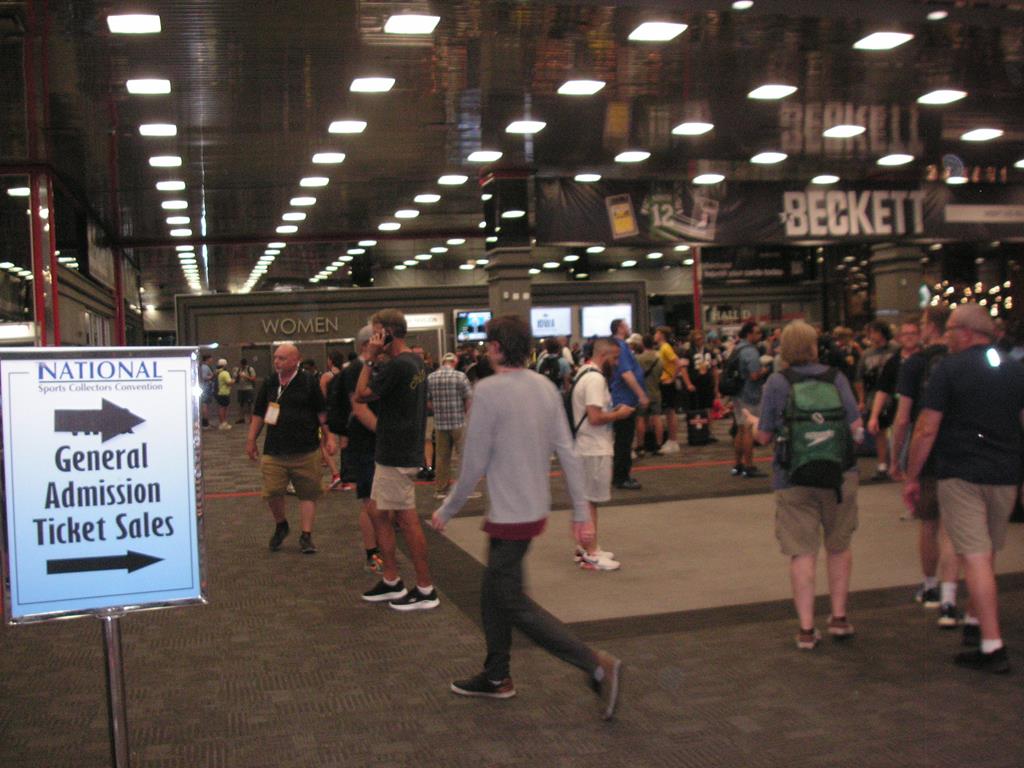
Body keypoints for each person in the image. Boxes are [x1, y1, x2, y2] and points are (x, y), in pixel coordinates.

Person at [430, 315, 622, 719]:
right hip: (530, 510)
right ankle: (497, 676)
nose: (485, 350)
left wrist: (447, 509)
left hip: (510, 514)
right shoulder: (545, 387)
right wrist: (580, 512)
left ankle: (595, 665)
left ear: (496, 348)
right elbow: (566, 451)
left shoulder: (488, 391)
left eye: (488, 344)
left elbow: (472, 463)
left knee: (512, 602)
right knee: (492, 594)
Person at [903, 303, 1024, 674]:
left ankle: (992, 645)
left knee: (973, 555)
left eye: (951, 330)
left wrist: (912, 475)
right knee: (987, 553)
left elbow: (927, 428)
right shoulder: (1013, 368)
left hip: (961, 474)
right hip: (1005, 474)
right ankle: (974, 621)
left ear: (967, 333)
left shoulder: (948, 369)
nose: (947, 336)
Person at [751, 320, 863, 650]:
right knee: (839, 546)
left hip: (792, 477)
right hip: (839, 475)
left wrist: (754, 423)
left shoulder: (777, 382)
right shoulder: (836, 377)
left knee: (802, 552)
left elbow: (764, 436)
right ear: (815, 346)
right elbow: (856, 427)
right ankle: (839, 617)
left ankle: (806, 628)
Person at [355, 308, 438, 611]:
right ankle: (391, 579)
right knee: (378, 512)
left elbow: (361, 394)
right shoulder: (415, 361)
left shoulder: (398, 365)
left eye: (376, 332)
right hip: (399, 449)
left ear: (388, 332)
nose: (373, 338)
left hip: (397, 453)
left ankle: (426, 588)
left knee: (406, 518)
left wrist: (369, 359)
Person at [890, 307, 959, 625]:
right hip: (960, 451)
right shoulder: (961, 362)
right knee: (951, 528)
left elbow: (903, 418)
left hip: (927, 452)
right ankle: (949, 599)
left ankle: (930, 587)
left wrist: (897, 458)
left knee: (929, 523)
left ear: (931, 327)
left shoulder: (915, 364)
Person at [246, 343, 337, 554]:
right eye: (275, 358)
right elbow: (259, 413)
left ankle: (306, 535)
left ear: (296, 360)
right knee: (272, 491)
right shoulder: (270, 382)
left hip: (306, 450)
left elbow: (321, 412)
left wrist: (330, 437)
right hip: (274, 450)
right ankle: (281, 524)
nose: (277, 362)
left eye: (282, 358)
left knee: (308, 493)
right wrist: (251, 439)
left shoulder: (309, 382)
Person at [572, 338, 634, 570]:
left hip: (586, 445)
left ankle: (586, 547)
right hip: (593, 447)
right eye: (615, 358)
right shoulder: (595, 379)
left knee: (587, 501)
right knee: (590, 501)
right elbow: (595, 417)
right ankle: (591, 552)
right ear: (604, 355)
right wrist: (620, 415)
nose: (617, 363)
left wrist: (612, 412)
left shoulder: (583, 373)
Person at [340, 326, 384, 573]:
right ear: (367, 343)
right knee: (370, 500)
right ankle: (372, 553)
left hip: (377, 442)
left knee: (381, 499)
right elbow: (358, 409)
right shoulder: (356, 370)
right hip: (365, 443)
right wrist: (384, 432)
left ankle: (381, 548)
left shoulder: (378, 368)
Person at [427, 352, 474, 499]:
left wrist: (438, 411)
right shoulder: (460, 376)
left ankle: (441, 490)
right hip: (458, 422)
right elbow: (468, 399)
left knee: (442, 458)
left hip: (440, 424)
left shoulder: (431, 378)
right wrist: (467, 416)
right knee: (464, 456)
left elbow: (428, 401)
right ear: (454, 362)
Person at [609, 318, 649, 489]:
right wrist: (641, 395)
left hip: (625, 398)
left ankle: (621, 475)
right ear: (619, 328)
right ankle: (621, 477)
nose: (628, 327)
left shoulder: (620, 345)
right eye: (626, 325)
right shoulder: (620, 346)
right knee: (624, 440)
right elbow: (626, 373)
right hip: (624, 400)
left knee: (624, 439)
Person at [856, 321, 895, 481]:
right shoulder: (867, 354)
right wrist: (862, 400)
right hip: (875, 396)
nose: (871, 336)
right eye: (870, 333)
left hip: (895, 394)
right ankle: (882, 465)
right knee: (879, 430)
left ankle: (896, 462)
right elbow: (859, 379)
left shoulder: (895, 350)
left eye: (874, 332)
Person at [732, 321, 769, 478]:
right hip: (750, 394)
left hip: (737, 392)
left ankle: (738, 464)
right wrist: (765, 370)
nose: (760, 336)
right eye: (757, 333)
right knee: (748, 429)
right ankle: (749, 465)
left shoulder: (737, 348)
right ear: (749, 334)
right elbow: (754, 375)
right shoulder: (751, 351)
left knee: (740, 429)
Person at [654, 326, 684, 453]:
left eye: (656, 333)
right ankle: (671, 440)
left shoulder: (666, 347)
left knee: (670, 412)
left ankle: (673, 440)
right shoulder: (662, 348)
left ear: (661, 334)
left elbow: (678, 363)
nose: (655, 335)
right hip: (664, 382)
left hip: (667, 382)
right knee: (668, 412)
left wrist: (672, 378)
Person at [634, 334, 663, 455]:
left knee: (640, 418)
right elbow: (660, 374)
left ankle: (640, 446)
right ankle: (658, 445)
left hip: (642, 393)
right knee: (657, 418)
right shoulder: (659, 359)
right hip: (655, 391)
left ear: (643, 344)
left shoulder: (638, 359)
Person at [320, 350, 345, 490]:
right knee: (344, 444)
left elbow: (322, 397)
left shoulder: (326, 376)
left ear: (330, 360)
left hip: (330, 413)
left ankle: (335, 474)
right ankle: (346, 475)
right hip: (344, 413)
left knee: (323, 443)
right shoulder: (345, 374)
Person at [234, 357, 257, 424]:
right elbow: (236, 379)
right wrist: (237, 376)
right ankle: (241, 418)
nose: (241, 366)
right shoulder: (238, 369)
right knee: (241, 404)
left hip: (248, 389)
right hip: (240, 389)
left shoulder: (250, 369)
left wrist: (245, 376)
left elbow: (253, 378)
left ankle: (251, 419)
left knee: (250, 404)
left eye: (242, 364)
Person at [215, 358, 233, 429]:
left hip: (219, 392)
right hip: (224, 392)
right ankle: (224, 423)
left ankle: (221, 423)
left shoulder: (218, 372)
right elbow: (229, 382)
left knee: (221, 408)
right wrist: (234, 380)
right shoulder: (225, 373)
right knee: (224, 408)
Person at [200, 354, 215, 428]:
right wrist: (212, 376)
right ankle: (205, 422)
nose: (212, 360)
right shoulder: (205, 367)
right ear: (207, 359)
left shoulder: (204, 367)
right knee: (205, 404)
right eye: (211, 359)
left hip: (206, 387)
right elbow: (204, 377)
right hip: (205, 388)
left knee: (206, 405)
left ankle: (206, 421)